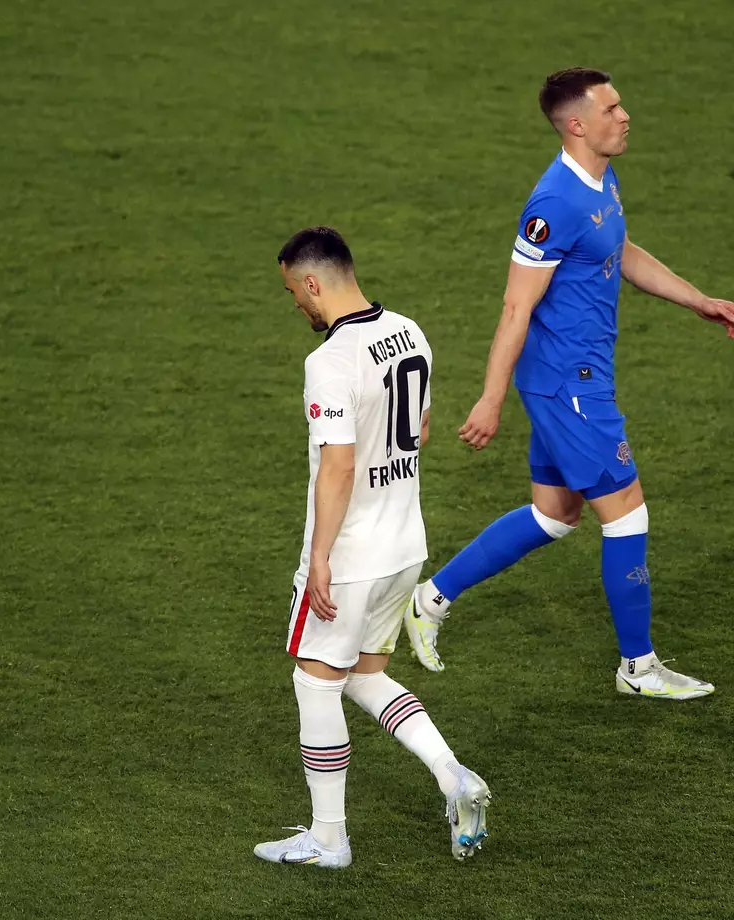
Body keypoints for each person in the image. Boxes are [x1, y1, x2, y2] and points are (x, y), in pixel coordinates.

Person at [403, 68, 734, 700]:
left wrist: (694, 299)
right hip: (570, 385)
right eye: (612, 108)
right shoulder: (553, 204)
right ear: (576, 124)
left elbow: (617, 247)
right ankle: (638, 669)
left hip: (576, 377)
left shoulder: (600, 179)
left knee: (556, 513)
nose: (626, 116)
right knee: (627, 514)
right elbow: (515, 307)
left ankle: (427, 600)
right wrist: (489, 397)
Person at [255, 227, 490, 869]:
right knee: (365, 676)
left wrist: (322, 558)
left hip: (354, 553)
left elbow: (338, 464)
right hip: (404, 543)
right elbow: (419, 427)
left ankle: (328, 838)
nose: (296, 307)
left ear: (311, 282)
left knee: (314, 683)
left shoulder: (329, 362)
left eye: (292, 293)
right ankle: (453, 776)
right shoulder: (410, 331)